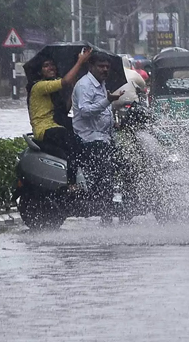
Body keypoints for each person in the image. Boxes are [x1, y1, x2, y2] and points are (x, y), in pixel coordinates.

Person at [27, 48, 91, 183]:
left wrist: (73, 90)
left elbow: (64, 111)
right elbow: (65, 81)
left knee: (83, 138)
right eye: (46, 66)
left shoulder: (52, 91)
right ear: (40, 71)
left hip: (55, 125)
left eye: (52, 64)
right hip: (45, 129)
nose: (51, 68)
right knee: (74, 143)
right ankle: (72, 184)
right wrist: (80, 61)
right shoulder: (39, 86)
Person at [72, 54, 122, 219]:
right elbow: (85, 111)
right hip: (89, 138)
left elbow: (102, 112)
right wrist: (107, 101)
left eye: (107, 67)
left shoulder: (101, 84)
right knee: (105, 172)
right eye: (101, 66)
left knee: (124, 162)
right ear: (91, 66)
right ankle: (104, 209)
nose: (105, 69)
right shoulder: (85, 85)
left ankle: (117, 204)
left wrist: (113, 123)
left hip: (103, 136)